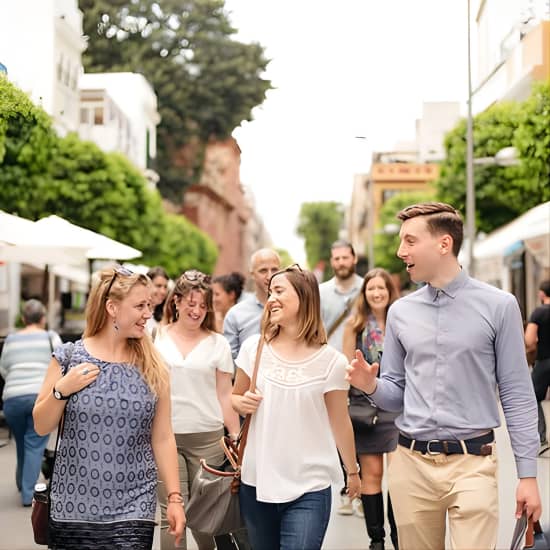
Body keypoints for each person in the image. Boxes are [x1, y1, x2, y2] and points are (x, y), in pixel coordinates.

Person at [346, 202, 542, 550]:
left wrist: (528, 476)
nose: (400, 251)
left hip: (474, 464)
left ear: (444, 244)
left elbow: (517, 394)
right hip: (410, 464)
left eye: (409, 241)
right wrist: (371, 385)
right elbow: (396, 393)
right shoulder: (401, 312)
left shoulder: (500, 306)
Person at [33, 267, 185, 549]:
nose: (147, 313)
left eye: (149, 305)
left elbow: (162, 436)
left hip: (134, 505)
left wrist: (175, 498)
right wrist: (62, 390)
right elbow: (41, 425)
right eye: (140, 305)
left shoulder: (154, 367)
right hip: (73, 506)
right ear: (112, 307)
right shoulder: (69, 357)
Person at [232, 265, 361, 550]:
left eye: (279, 291)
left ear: (304, 297)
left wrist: (352, 472)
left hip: (309, 488)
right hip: (257, 482)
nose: (271, 299)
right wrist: (240, 402)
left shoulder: (332, 361)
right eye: (269, 293)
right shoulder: (254, 348)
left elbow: (340, 421)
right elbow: (234, 397)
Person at [155, 269, 241, 550]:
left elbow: (225, 394)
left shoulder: (219, 344)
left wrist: (237, 438)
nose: (197, 311)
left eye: (203, 305)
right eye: (191, 304)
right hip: (164, 435)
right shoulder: (155, 337)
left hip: (208, 440)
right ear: (176, 302)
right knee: (172, 514)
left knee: (204, 516)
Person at [342, 268, 400, 550]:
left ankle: (399, 538)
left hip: (400, 406)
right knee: (372, 474)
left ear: (390, 291)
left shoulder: (403, 321)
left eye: (382, 288)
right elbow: (346, 370)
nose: (377, 293)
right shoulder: (354, 326)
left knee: (399, 476)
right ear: (364, 294)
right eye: (371, 289)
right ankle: (376, 541)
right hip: (366, 408)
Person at [0, 299, 62, 506]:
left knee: (23, 442)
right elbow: (63, 362)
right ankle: (28, 495)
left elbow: (3, 368)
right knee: (34, 444)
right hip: (39, 395)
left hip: (13, 398)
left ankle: (21, 482)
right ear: (43, 318)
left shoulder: (11, 339)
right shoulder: (50, 337)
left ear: (24, 318)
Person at [319, 239, 363, 516]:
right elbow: (318, 330)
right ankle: (347, 489)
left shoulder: (366, 288)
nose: (340, 263)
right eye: (336, 259)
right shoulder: (322, 292)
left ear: (354, 258)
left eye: (345, 258)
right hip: (331, 368)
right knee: (337, 426)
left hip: (361, 368)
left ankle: (363, 488)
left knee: (360, 426)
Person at [224, 249, 281, 360]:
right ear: (252, 274)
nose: (270, 276)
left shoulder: (293, 310)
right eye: (263, 271)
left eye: (274, 270)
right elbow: (229, 359)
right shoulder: (235, 314)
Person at [525, 279, 550, 456]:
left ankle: (541, 438)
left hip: (544, 362)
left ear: (542, 294)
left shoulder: (539, 313)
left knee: (533, 397)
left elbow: (530, 340)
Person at [146, 266, 170, 336]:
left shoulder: (164, 314)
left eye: (165, 287)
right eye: (158, 286)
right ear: (148, 285)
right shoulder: (137, 313)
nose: (163, 291)